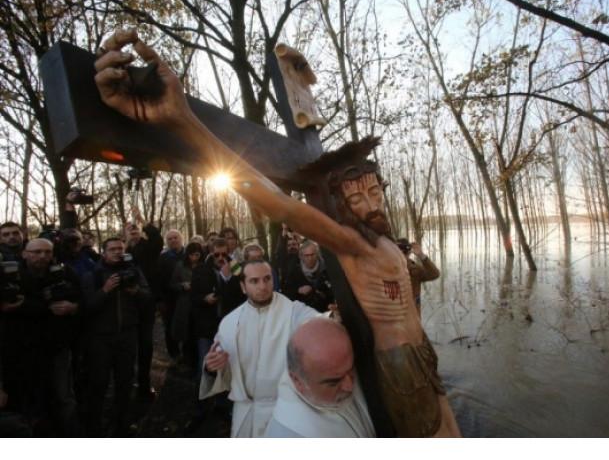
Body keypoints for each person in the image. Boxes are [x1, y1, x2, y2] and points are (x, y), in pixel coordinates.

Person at [94, 29, 460, 437]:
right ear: (340, 207)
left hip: (422, 351)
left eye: (376, 192)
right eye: (357, 199)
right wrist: (183, 120)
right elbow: (281, 204)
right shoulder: (353, 244)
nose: (371, 205)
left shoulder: (387, 241)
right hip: (396, 363)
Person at [200, 259, 319, 437]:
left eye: (267, 279)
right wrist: (211, 368)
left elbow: (322, 323)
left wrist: (336, 317)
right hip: (246, 411)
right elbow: (222, 365)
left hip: (286, 410)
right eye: (254, 281)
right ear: (243, 286)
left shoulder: (294, 312)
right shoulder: (231, 323)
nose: (262, 286)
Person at [0, 238, 81, 436]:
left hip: (56, 346)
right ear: (24, 254)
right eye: (36, 252)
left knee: (63, 396)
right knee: (26, 397)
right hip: (20, 349)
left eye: (47, 252)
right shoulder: (11, 276)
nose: (42, 256)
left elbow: (82, 299)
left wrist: (74, 307)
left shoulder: (64, 273)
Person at [81, 237, 151, 437]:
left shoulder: (133, 271)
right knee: (98, 383)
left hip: (127, 335)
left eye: (120, 249)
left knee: (125, 381)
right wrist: (105, 290)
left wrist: (136, 291)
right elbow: (86, 308)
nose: (117, 253)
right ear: (103, 252)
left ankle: (123, 422)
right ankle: (94, 425)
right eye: (112, 249)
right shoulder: (92, 275)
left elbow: (148, 298)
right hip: (100, 338)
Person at [264, 317, 374, 438]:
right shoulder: (288, 435)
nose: (350, 386)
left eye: (351, 369)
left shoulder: (323, 368)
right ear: (297, 380)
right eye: (334, 382)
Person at [186, 238, 246, 432]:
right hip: (207, 328)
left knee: (226, 366)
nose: (221, 258)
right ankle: (199, 409)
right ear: (210, 252)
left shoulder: (236, 268)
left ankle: (221, 405)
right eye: (216, 254)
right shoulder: (202, 269)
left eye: (224, 254)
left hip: (228, 327)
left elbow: (241, 296)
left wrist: (227, 279)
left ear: (229, 251)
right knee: (204, 369)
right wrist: (205, 299)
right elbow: (193, 297)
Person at [124, 207, 163, 399]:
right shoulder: (121, 252)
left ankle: (144, 382)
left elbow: (157, 238)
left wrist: (142, 219)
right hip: (125, 306)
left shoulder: (148, 248)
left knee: (145, 344)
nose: (133, 230)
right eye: (129, 229)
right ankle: (126, 380)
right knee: (127, 345)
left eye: (136, 228)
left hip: (146, 302)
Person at [157, 229, 187, 367]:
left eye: (176, 237)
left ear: (181, 238)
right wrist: (160, 300)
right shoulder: (162, 258)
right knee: (170, 328)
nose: (173, 240)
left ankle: (188, 355)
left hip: (188, 298)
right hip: (170, 299)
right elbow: (159, 281)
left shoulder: (189, 254)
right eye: (170, 239)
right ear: (166, 242)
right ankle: (174, 355)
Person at [281, 240, 333, 312]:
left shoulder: (327, 269)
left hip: (326, 311)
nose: (310, 258)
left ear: (317, 254)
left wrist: (325, 294)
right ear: (301, 256)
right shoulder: (294, 271)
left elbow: (336, 290)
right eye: (307, 255)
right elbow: (285, 292)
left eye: (312, 254)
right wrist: (298, 290)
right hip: (304, 312)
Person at [396, 238, 440, 318]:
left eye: (404, 252)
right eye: (397, 252)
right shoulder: (387, 270)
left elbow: (435, 274)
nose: (401, 256)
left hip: (413, 313)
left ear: (409, 253)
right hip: (395, 314)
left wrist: (421, 255)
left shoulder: (416, 269)